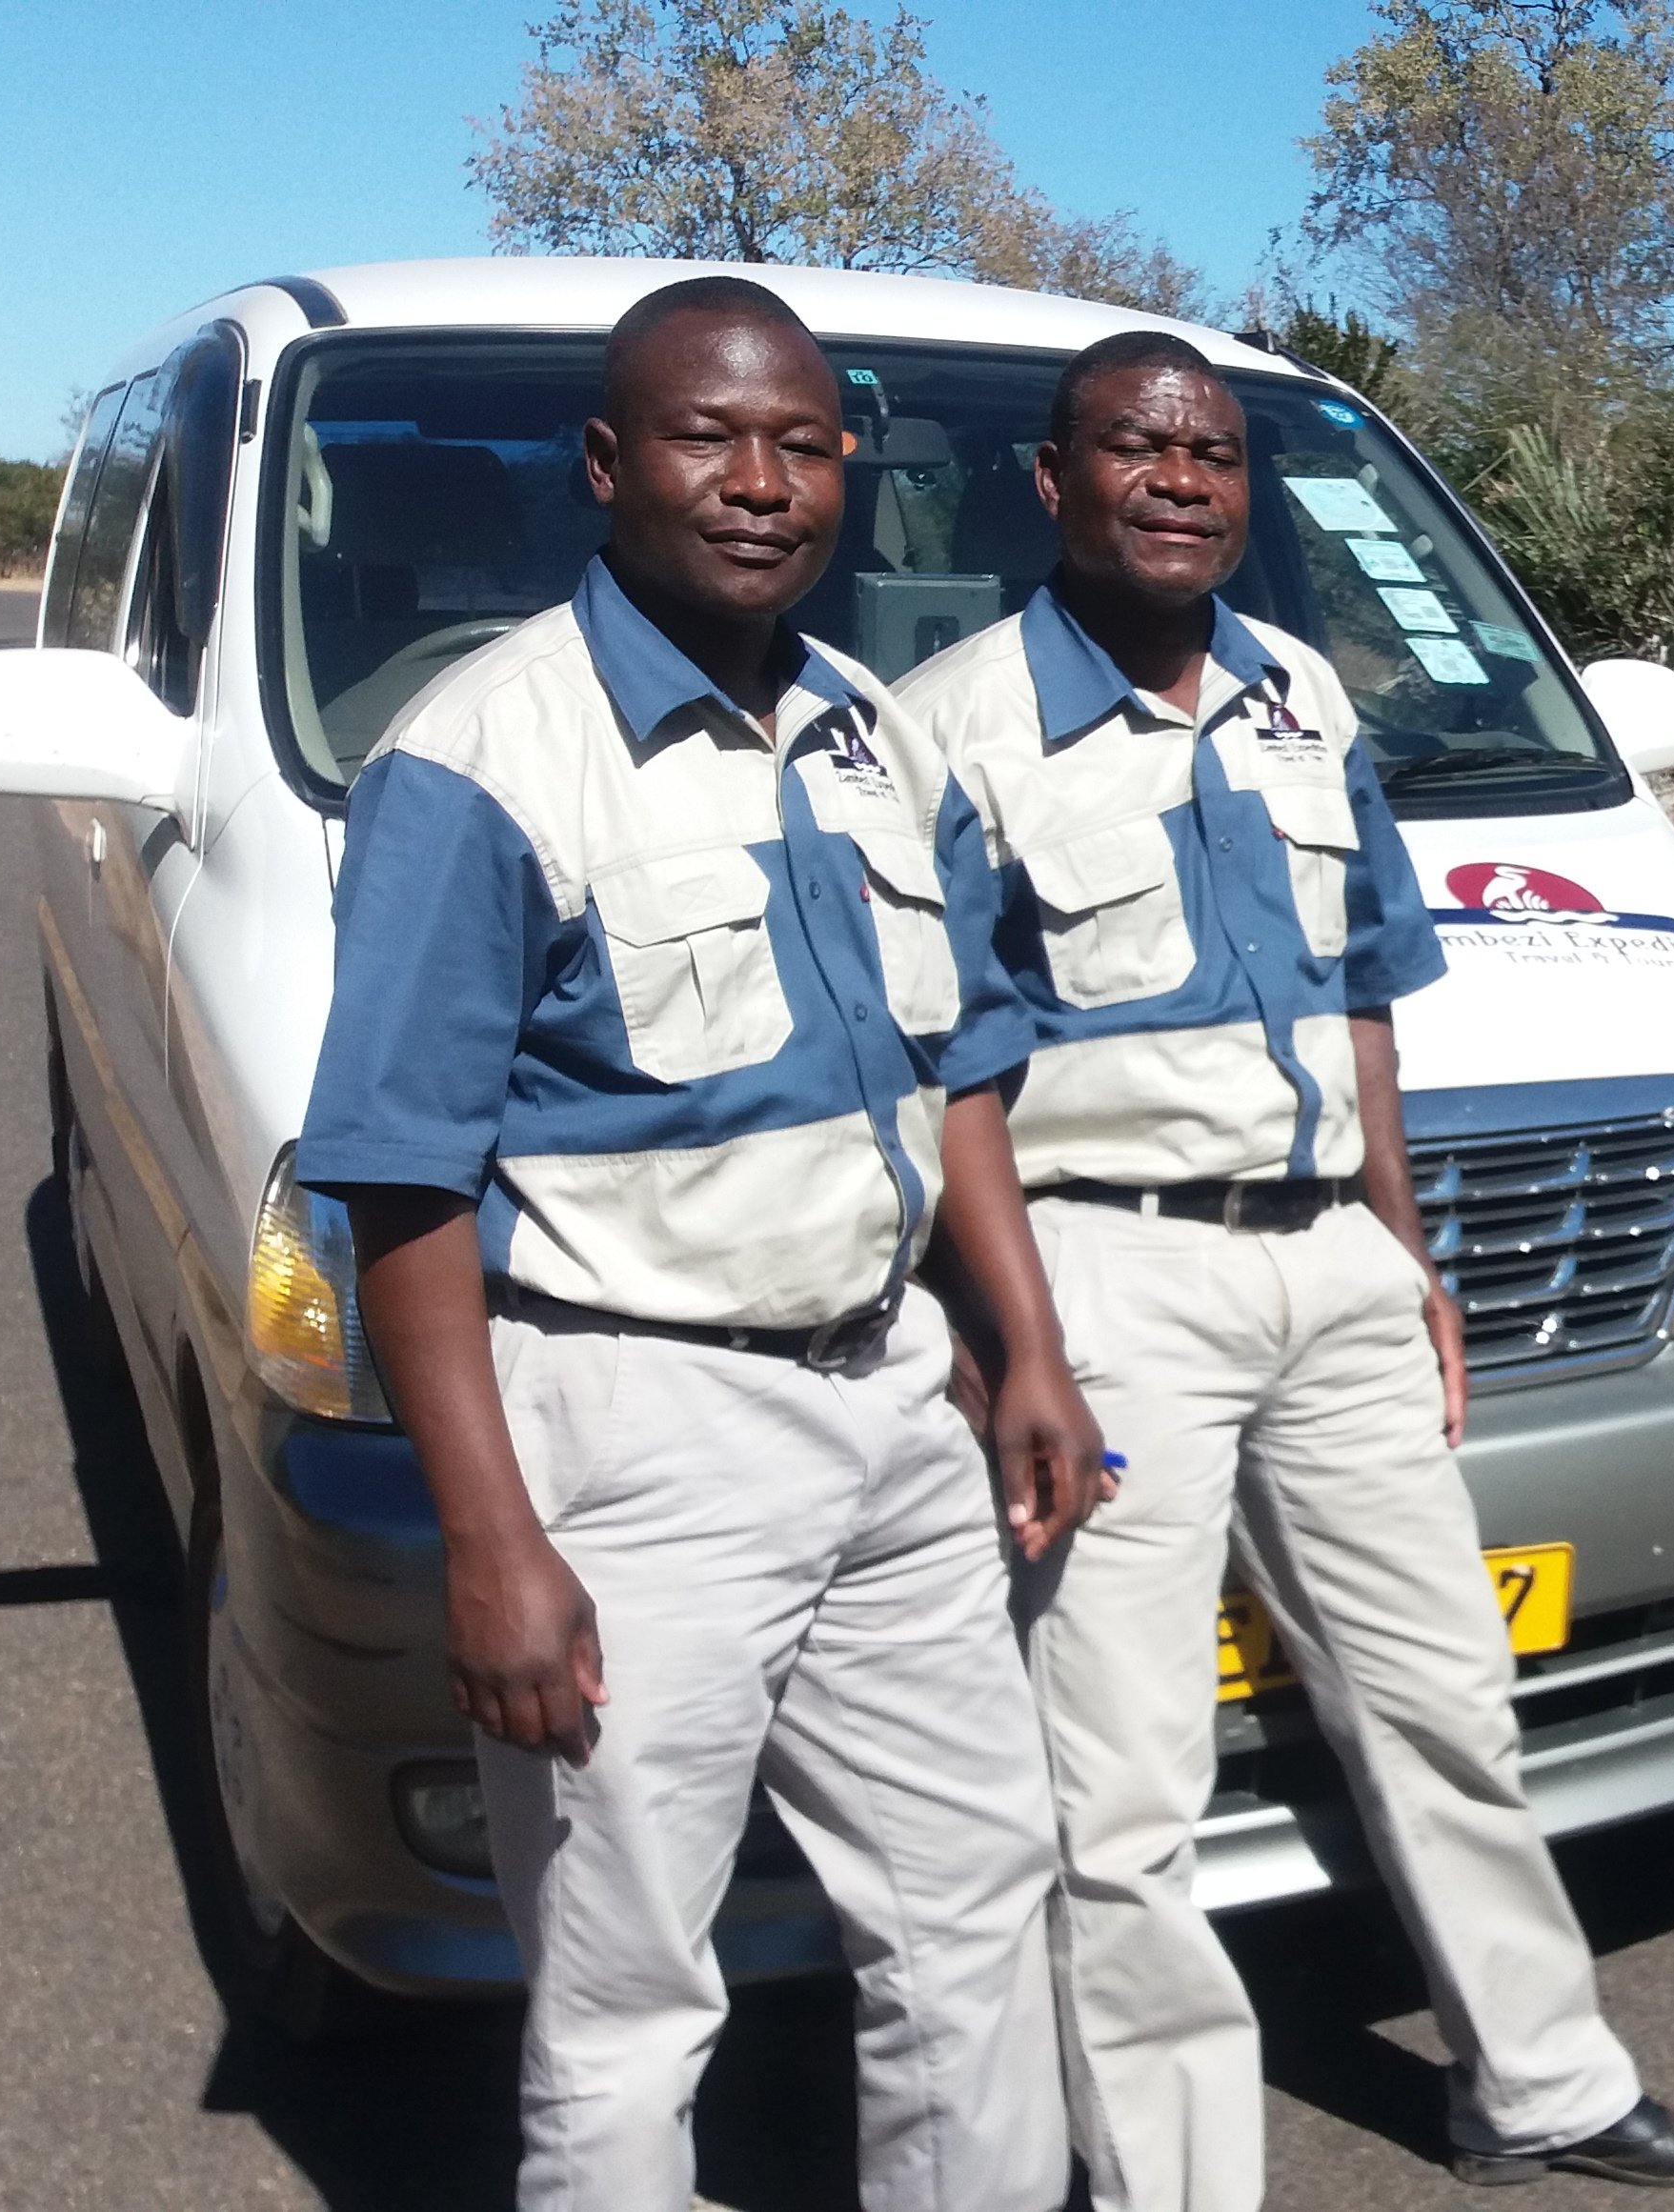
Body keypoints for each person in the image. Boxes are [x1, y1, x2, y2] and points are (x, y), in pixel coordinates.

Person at [897, 330, 1674, 2202]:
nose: (1182, 480)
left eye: (1212, 453)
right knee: (1125, 1795)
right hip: (1106, 1281)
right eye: (1138, 449)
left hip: (1336, 1277)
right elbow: (942, 1068)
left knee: (1447, 1700)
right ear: (1053, 485)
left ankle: (1538, 2084)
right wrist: (1018, 1339)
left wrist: (1410, 1249)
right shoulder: (952, 728)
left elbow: (1368, 993)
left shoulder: (1301, 691)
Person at [297, 274, 1105, 2212]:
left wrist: (1028, 1351)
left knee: (976, 1905)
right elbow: (402, 1184)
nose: (762, 482)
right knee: (629, 1995)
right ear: (606, 466)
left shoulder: (871, 739)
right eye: (706, 437)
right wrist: (492, 1543)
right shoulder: (481, 757)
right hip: (637, 1434)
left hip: (897, 1406)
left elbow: (963, 1073)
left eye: (805, 443)